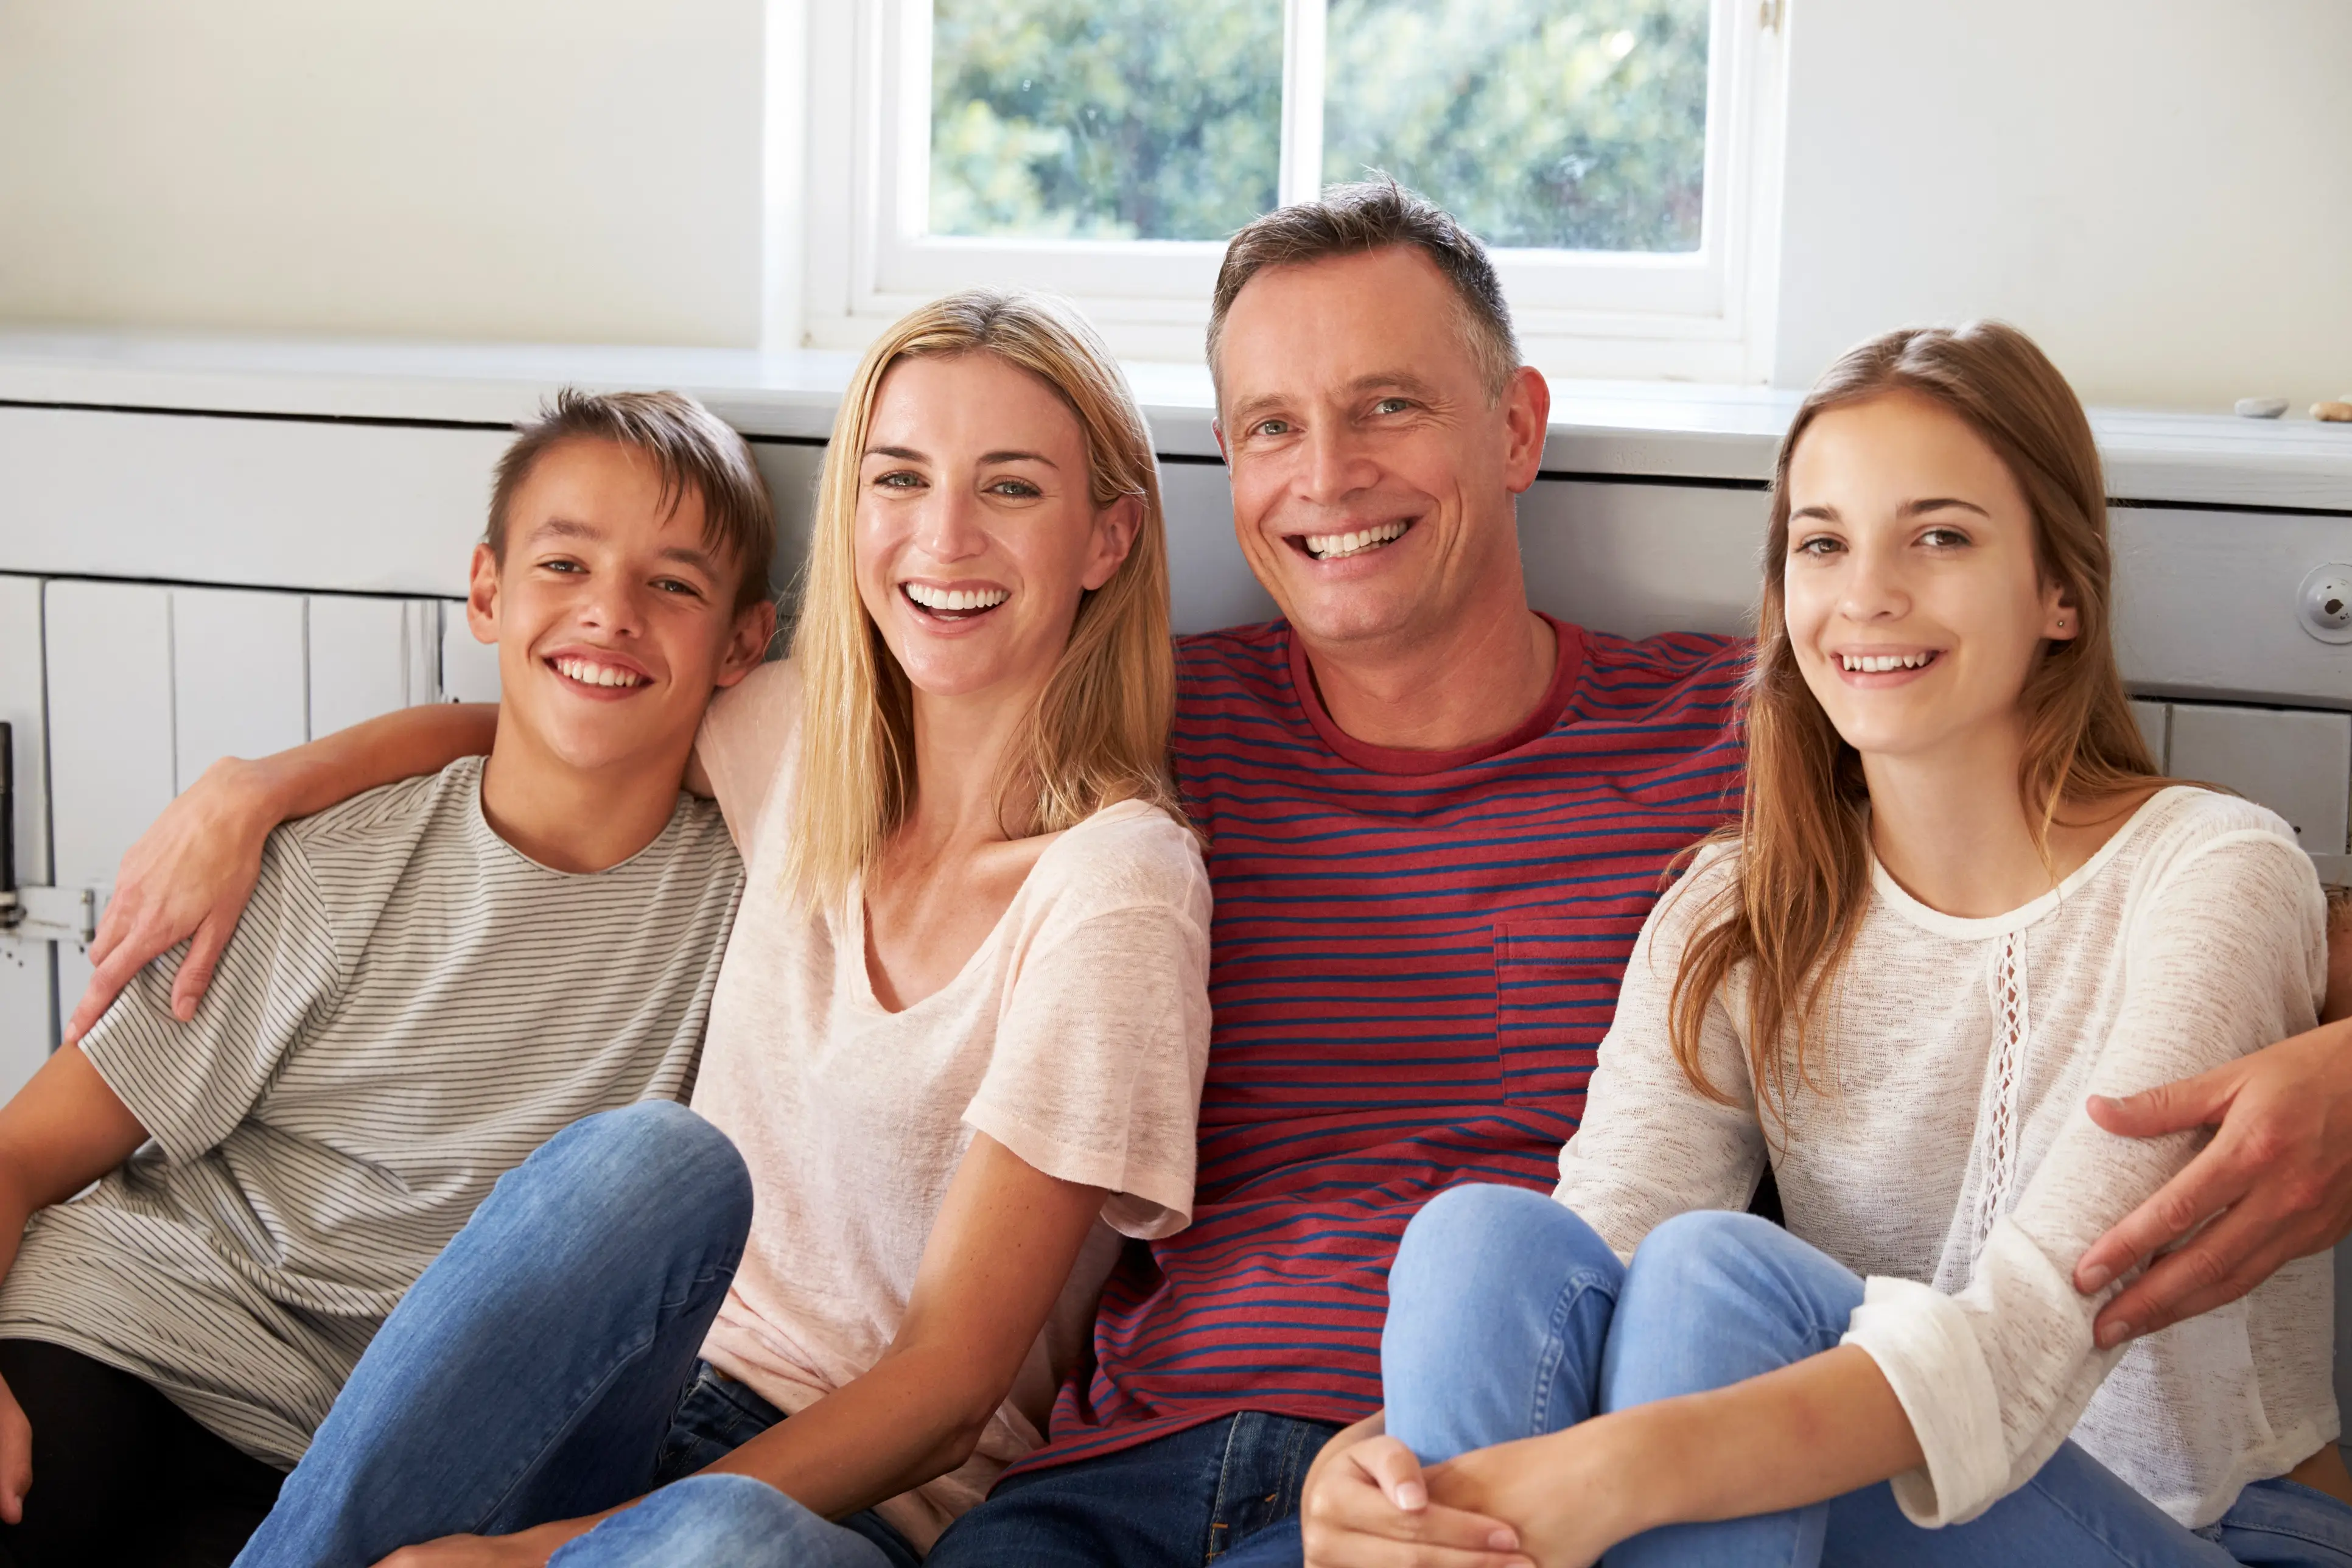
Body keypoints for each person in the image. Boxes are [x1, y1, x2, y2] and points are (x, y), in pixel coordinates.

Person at [67, 184, 2352, 1565]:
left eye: (1388, 410)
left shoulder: (1740, 729)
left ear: (1514, 426)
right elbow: (634, 688)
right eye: (1268, 425)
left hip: (1446, 1428)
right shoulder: (1140, 731)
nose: (1324, 475)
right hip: (1127, 1451)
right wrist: (271, 774)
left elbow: (2108, 869)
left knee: (1498, 1248)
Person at [1305, 321, 2352, 1568]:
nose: (1868, 594)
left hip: (2207, 1530)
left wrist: (1622, 1469)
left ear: (2059, 590)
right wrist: (1377, 1467)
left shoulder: (2212, 873)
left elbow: (2025, 1345)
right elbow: (1593, 1269)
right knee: (1480, 1244)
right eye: (1823, 543)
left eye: (1941, 536)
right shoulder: (1734, 909)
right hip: (1858, 1522)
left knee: (1716, 1284)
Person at [229, 289, 1212, 1568]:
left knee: (720, 1540)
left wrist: (549, 1553)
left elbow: (949, 1384)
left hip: (844, 1503)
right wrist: (258, 791)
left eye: (1012, 488)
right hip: (637, 1407)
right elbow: (554, 724)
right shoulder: (800, 743)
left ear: (1108, 537)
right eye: (899, 477)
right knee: (654, 1160)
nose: (945, 534)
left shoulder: (1115, 887)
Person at [0, 388, 775, 1568]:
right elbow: (21, 1151)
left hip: (370, 1449)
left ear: (744, 642)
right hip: (128, 1323)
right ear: (487, 593)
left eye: (672, 583)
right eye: (564, 562)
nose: (610, 613)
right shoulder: (328, 859)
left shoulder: (749, 906)